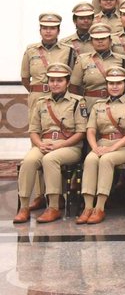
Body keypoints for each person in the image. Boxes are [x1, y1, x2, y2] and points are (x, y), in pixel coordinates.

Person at [14, 62, 85, 224]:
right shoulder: (41, 102)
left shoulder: (77, 102)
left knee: (50, 159)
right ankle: (24, 206)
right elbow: (33, 130)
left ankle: (53, 206)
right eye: (52, 80)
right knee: (29, 161)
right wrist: (39, 144)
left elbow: (81, 132)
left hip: (69, 146)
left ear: (67, 82)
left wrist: (60, 145)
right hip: (44, 143)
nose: (55, 84)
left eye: (59, 80)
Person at [78, 67, 125, 224]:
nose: (114, 87)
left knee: (106, 160)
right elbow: (91, 130)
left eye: (118, 83)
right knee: (91, 160)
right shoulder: (98, 106)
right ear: (106, 85)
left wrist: (113, 148)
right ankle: (87, 207)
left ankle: (99, 207)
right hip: (102, 145)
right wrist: (94, 147)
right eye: (111, 83)